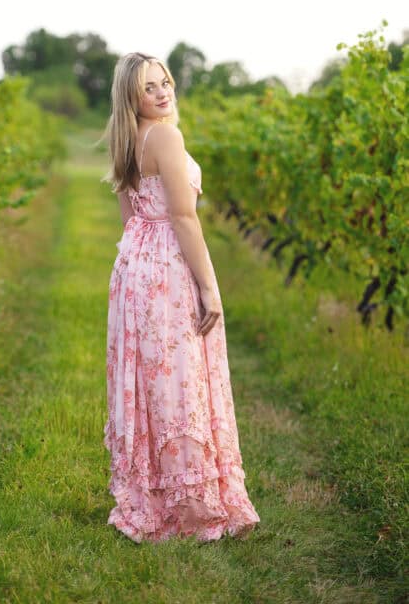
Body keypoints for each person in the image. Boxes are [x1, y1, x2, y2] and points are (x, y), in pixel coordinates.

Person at [100, 51, 261, 543]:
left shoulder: (126, 138)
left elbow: (130, 218)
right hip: (167, 266)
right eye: (148, 87)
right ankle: (188, 506)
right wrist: (208, 286)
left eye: (164, 82)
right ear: (132, 96)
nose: (161, 92)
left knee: (154, 379)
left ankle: (155, 494)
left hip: (135, 265)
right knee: (180, 379)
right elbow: (184, 217)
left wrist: (140, 268)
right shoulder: (165, 136)